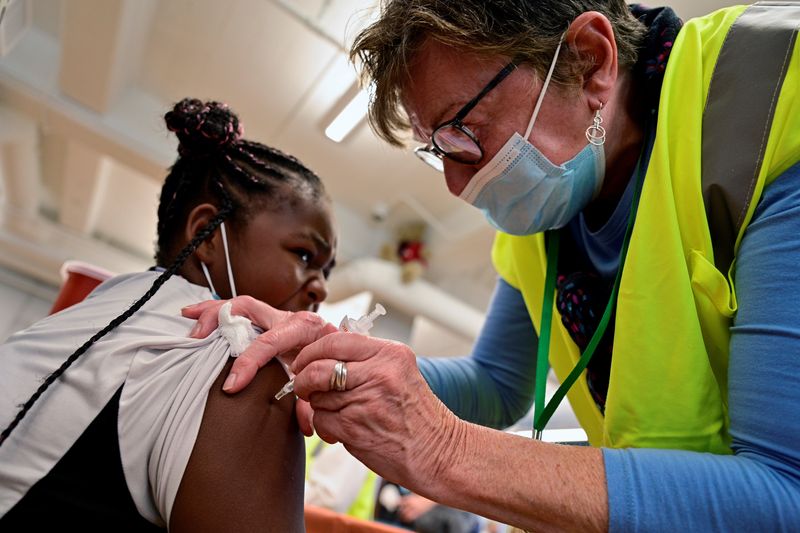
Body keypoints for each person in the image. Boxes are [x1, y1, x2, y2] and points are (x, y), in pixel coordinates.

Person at [185, 1, 800, 531]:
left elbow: (785, 492)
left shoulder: (764, 112)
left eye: (464, 133)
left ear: (590, 59)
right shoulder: (545, 222)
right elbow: (495, 385)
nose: (457, 184)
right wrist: (338, 357)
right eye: (439, 150)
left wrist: (445, 450)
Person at [0, 98, 337, 531]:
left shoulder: (100, 309)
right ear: (206, 235)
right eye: (305, 254)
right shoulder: (240, 359)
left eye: (326, 270)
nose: (321, 286)